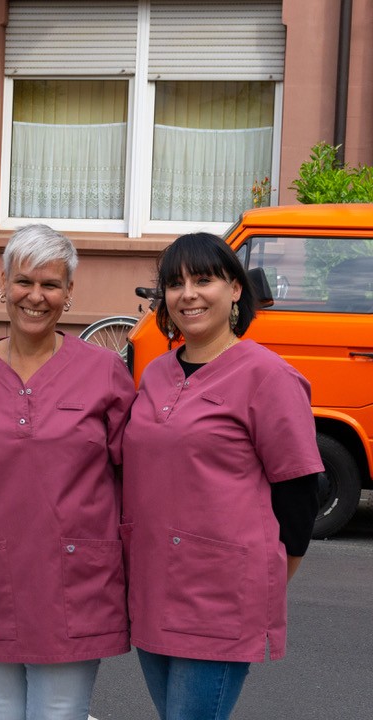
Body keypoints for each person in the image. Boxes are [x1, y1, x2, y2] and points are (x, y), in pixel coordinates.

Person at [0, 224, 134, 720]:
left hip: (76, 577)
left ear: (69, 294)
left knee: (60, 713)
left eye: (51, 284)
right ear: (3, 285)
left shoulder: (104, 371)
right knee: (2, 712)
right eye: (24, 282)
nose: (35, 296)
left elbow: (127, 469)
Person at [123, 232, 322, 720]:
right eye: (175, 283)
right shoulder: (155, 373)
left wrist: (262, 581)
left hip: (221, 601)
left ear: (235, 289)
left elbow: (299, 493)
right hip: (152, 591)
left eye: (203, 279)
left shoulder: (268, 377)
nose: (187, 294)